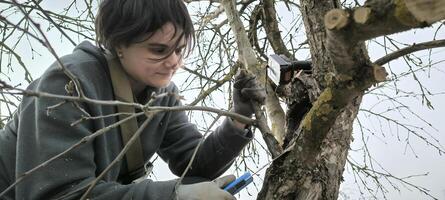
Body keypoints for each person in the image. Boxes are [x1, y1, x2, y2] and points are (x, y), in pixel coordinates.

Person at [0, 0, 266, 199]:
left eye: (180, 49)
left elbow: (194, 164)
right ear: (119, 44)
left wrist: (238, 119)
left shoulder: (163, 95)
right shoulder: (68, 85)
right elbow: (59, 195)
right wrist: (172, 196)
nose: (173, 61)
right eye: (159, 50)